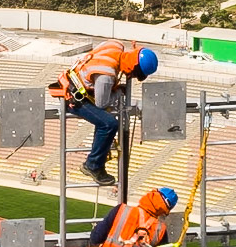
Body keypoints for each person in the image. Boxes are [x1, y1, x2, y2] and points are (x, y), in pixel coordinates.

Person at [51, 42, 158, 185]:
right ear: (133, 67)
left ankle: (97, 162)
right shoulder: (106, 74)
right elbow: (101, 103)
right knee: (109, 124)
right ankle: (92, 165)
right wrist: (118, 92)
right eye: (135, 74)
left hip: (74, 86)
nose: (131, 77)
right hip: (74, 99)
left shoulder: (115, 46)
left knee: (105, 121)